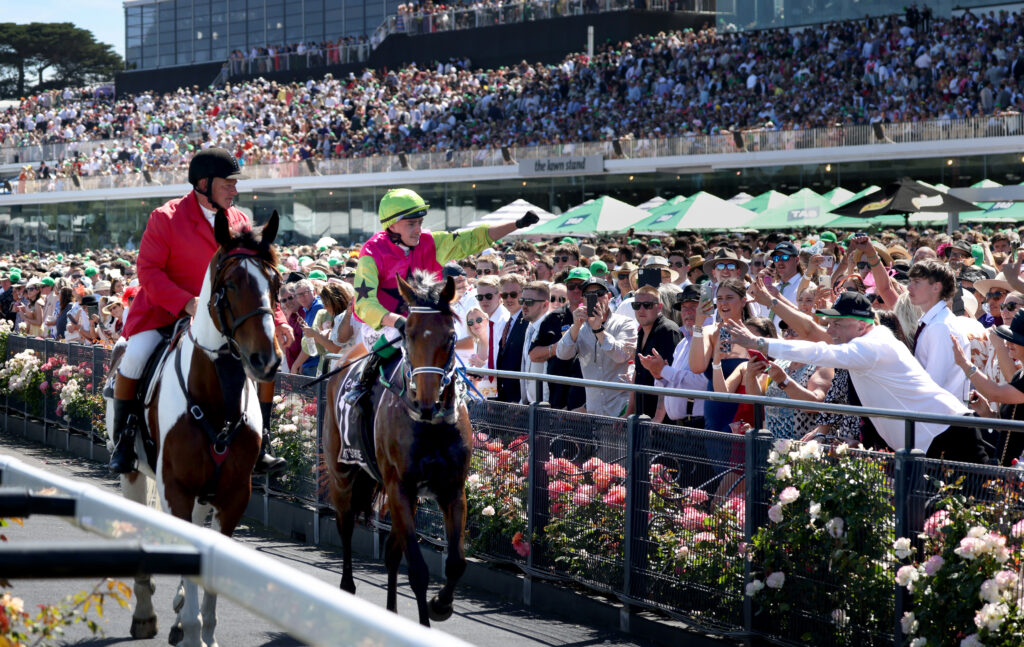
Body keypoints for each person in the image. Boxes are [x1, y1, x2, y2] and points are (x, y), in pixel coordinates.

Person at [109, 148, 287, 475]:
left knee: (267, 359)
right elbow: (148, 271)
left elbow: (253, 281)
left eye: (235, 184)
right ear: (203, 183)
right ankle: (124, 439)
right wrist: (187, 302)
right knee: (134, 356)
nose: (235, 190)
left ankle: (263, 444)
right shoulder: (165, 217)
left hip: (221, 319)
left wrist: (277, 320)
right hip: (164, 313)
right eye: (228, 183)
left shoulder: (239, 220)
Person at [723, 292, 991, 463]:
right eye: (831, 322)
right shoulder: (868, 340)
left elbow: (819, 351)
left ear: (862, 325)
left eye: (839, 323)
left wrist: (761, 342)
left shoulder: (870, 345)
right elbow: (817, 338)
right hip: (928, 436)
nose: (832, 329)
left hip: (946, 432)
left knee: (979, 512)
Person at [345, 188, 537, 404]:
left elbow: (471, 239)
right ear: (391, 225)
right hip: (383, 326)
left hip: (422, 322)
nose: (419, 229)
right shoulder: (371, 253)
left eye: (420, 222)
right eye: (411, 224)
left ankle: (459, 393)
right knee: (393, 336)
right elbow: (363, 303)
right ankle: (363, 381)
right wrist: (397, 321)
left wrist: (516, 225)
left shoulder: (429, 242)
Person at [555, 277, 638, 417]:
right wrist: (575, 326)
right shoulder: (580, 327)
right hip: (594, 410)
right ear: (583, 300)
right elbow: (562, 354)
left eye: (600, 294)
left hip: (621, 409)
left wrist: (598, 330)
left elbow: (622, 356)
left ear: (609, 296)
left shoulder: (625, 323)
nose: (596, 299)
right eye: (589, 296)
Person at [952, 310, 1024, 465]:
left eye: (1016, 339)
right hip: (1009, 467)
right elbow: (1007, 427)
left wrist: (966, 364)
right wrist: (987, 413)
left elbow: (996, 394)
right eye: (1008, 338)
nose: (1008, 343)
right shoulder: (1019, 375)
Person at [640, 285, 708, 427]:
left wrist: (664, 371)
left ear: (706, 309)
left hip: (699, 425)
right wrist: (658, 374)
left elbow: (703, 383)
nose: (687, 312)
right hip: (682, 426)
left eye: (693, 306)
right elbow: (668, 386)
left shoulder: (710, 338)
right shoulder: (683, 343)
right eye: (684, 307)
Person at [907, 260, 971, 400]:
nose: (909, 287)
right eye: (910, 281)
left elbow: (935, 381)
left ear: (936, 287)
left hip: (942, 416)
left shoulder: (940, 326)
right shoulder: (936, 321)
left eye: (916, 282)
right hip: (939, 414)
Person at [532, 267, 589, 411]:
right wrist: (559, 347)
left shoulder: (601, 317)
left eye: (581, 286)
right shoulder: (554, 317)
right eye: (571, 286)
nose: (576, 290)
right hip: (558, 395)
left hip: (588, 398)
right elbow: (533, 354)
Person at [630, 285, 681, 420]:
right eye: (636, 305)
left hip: (663, 420)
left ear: (659, 307)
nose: (641, 310)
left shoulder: (668, 331)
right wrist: (629, 412)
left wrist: (658, 418)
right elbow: (637, 372)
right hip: (642, 414)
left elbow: (670, 378)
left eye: (647, 305)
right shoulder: (642, 330)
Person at [496, 273, 529, 403]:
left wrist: (523, 400)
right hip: (507, 397)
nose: (509, 299)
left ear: (524, 294)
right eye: (504, 295)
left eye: (513, 294)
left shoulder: (528, 322)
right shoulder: (509, 321)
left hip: (521, 399)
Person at [519, 280, 550, 404]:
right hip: (530, 404)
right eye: (522, 301)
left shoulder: (550, 329)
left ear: (545, 305)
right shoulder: (530, 327)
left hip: (544, 406)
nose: (524, 306)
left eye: (530, 302)